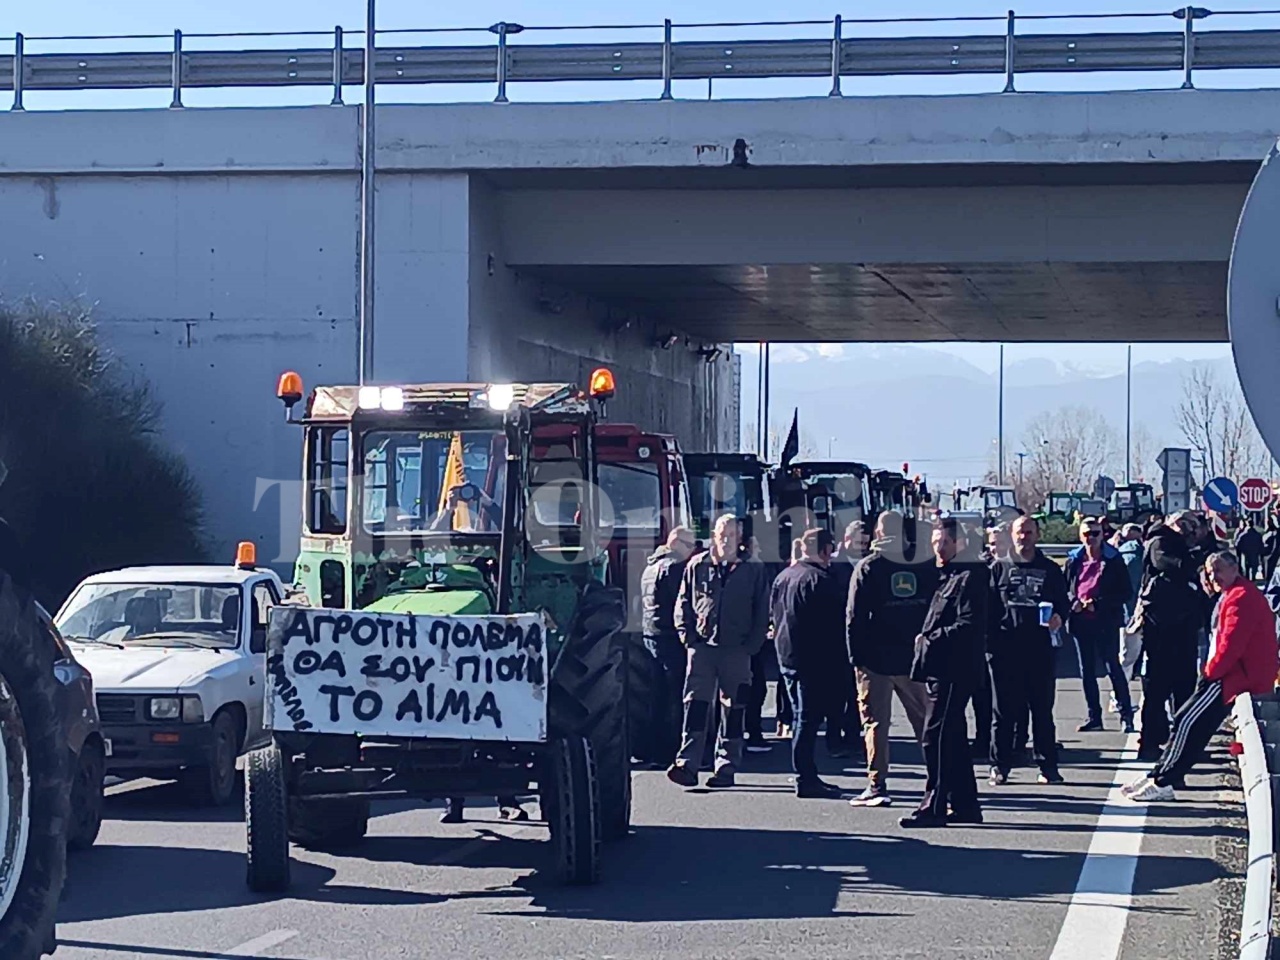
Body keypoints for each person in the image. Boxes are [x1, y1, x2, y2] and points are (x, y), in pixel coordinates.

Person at [1125, 551, 1279, 801]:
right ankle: (1160, 774)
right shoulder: (1233, 594)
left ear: (1234, 569)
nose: (1213, 577)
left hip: (1236, 675)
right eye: (1209, 572)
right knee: (1190, 720)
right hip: (1232, 672)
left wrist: (1209, 674)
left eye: (1218, 570)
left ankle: (1164, 780)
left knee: (1188, 721)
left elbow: (1231, 645)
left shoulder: (1241, 597)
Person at [668, 514, 770, 788]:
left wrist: (752, 646)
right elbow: (683, 603)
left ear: (740, 538)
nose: (726, 541)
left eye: (732, 536)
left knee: (734, 710)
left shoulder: (754, 569)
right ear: (714, 536)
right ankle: (687, 763)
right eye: (721, 535)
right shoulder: (697, 565)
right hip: (702, 649)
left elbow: (762, 610)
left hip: (737, 651)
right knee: (696, 706)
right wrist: (688, 638)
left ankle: (726, 766)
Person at [899, 518, 988, 829]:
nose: (937, 548)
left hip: (955, 668)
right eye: (935, 543)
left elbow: (969, 625)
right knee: (952, 737)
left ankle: (934, 805)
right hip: (939, 668)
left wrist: (929, 640)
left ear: (959, 543)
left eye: (944, 543)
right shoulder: (944, 575)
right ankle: (966, 805)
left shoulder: (971, 576)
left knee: (934, 736)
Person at [846, 512, 936, 806]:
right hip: (912, 658)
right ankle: (938, 779)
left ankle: (877, 784)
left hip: (875, 660)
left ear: (877, 532)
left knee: (875, 723)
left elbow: (854, 617)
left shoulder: (868, 567)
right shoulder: (923, 564)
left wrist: (856, 658)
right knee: (925, 720)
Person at [988, 516, 1070, 786]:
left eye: (1029, 532)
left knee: (1042, 711)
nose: (1024, 537)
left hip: (1040, 651)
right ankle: (1000, 766)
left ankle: (1048, 767)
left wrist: (1059, 616)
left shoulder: (1049, 569)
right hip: (1004, 651)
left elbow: (1063, 603)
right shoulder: (998, 568)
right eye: (1019, 532)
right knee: (1003, 713)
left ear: (1037, 534)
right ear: (1012, 536)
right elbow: (984, 608)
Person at [770, 528, 847, 798]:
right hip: (813, 660)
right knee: (807, 719)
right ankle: (805, 776)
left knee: (801, 716)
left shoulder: (784, 576)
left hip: (786, 656)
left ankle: (807, 774)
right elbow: (834, 627)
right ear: (825, 550)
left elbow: (775, 615)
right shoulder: (819, 580)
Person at [1134, 520, 1202, 760]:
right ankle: (1150, 743)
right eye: (1184, 525)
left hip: (1183, 627)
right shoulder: (1160, 542)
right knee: (1157, 689)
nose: (1189, 531)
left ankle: (1180, 744)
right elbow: (1172, 565)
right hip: (1161, 628)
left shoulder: (1181, 545)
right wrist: (1193, 559)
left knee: (1183, 688)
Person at [1065, 517, 1135, 733]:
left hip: (1106, 621)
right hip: (1080, 622)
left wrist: (1098, 604)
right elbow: (1064, 587)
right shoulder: (1073, 560)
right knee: (1086, 671)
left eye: (1095, 533)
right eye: (1087, 534)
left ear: (1102, 535)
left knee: (1112, 667)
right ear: (1080, 536)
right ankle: (1094, 716)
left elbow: (1125, 592)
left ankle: (1126, 715)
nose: (1091, 538)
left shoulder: (1113, 559)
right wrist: (1073, 603)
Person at [638, 526, 698, 765]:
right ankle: (672, 749)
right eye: (691, 546)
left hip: (651, 633)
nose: (693, 551)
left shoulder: (650, 567)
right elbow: (682, 603)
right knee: (676, 696)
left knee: (657, 695)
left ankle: (654, 749)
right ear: (678, 543)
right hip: (670, 637)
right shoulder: (674, 567)